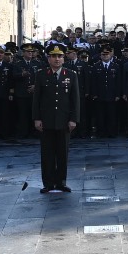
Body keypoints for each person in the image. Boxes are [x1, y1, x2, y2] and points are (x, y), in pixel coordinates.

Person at [32, 46, 79, 193]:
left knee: (62, 153)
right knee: (47, 153)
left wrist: (74, 119)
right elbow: (36, 99)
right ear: (48, 58)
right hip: (46, 120)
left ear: (64, 58)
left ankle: (61, 182)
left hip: (64, 120)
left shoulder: (71, 75)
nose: (57, 59)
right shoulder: (41, 75)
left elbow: (75, 99)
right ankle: (48, 183)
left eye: (59, 56)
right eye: (53, 56)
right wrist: (36, 118)